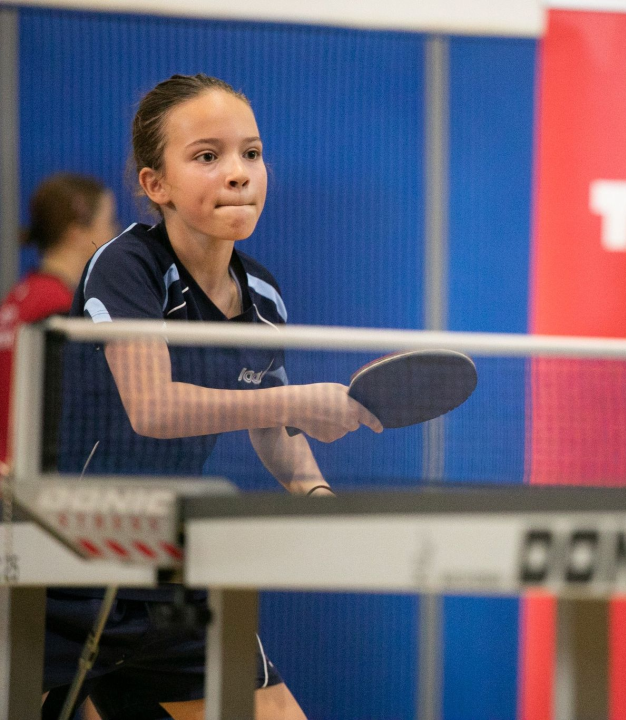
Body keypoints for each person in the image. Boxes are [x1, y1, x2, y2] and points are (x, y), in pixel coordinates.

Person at [42, 74, 382, 720]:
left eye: (250, 154)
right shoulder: (126, 268)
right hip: (65, 566)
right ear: (155, 185)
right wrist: (293, 403)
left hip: (168, 572)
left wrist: (314, 493)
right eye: (208, 156)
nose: (238, 174)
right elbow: (153, 408)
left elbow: (272, 426)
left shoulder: (264, 296)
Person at [0, 173, 117, 465]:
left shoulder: (19, 297)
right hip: (25, 479)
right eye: (109, 223)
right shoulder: (60, 312)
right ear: (76, 233)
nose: (115, 235)